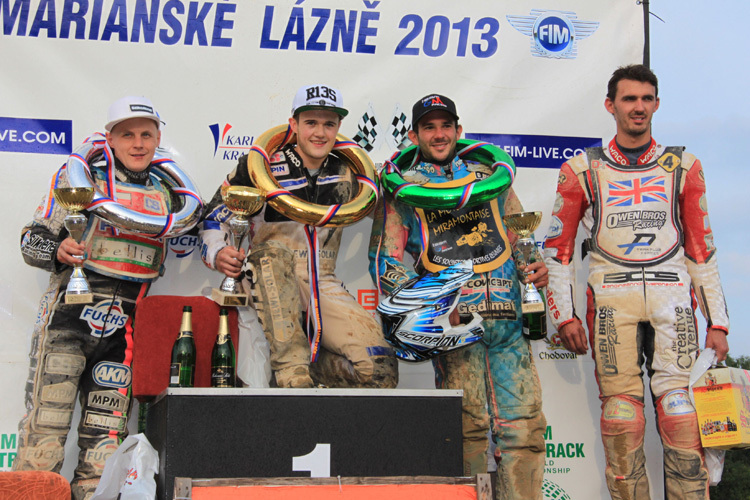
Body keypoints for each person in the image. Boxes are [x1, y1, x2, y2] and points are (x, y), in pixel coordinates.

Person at [544, 64, 729, 500]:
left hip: (672, 298)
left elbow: (702, 249)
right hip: (611, 298)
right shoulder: (581, 169)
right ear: (611, 106)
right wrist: (564, 314)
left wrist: (718, 323)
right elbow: (559, 251)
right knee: (622, 418)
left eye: (647, 99)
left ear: (657, 104)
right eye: (629, 99)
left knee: (682, 413)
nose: (639, 108)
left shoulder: (683, 165)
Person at [369, 94, 548, 498]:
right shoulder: (403, 188)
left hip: (508, 321)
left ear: (458, 130)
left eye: (445, 125)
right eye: (429, 127)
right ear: (414, 135)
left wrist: (533, 266)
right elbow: (384, 262)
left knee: (525, 429)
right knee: (466, 431)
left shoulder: (489, 175)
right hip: (456, 328)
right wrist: (427, 306)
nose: (439, 134)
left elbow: (519, 231)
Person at [15, 96, 185, 499]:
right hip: (66, 322)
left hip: (124, 332)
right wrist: (58, 250)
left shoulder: (170, 193)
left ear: (158, 138)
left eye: (146, 134)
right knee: (45, 433)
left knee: (105, 446)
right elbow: (31, 239)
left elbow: (200, 224)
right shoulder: (81, 179)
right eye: (127, 135)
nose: (138, 143)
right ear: (110, 137)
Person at [200, 84, 398, 389]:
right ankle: (293, 375)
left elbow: (389, 210)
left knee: (379, 369)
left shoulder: (351, 169)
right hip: (266, 275)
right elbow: (215, 218)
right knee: (272, 257)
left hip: (322, 279)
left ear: (339, 128)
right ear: (293, 125)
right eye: (311, 123)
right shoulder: (262, 164)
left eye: (329, 124)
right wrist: (218, 252)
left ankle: (310, 370)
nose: (320, 132)